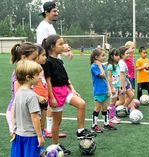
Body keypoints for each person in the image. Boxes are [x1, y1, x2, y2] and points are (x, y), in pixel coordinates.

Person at [42, 34, 96, 154]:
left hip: (65, 90)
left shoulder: (59, 60)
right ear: (52, 47)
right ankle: (55, 145)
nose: (63, 46)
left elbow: (66, 78)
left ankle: (80, 130)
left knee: (81, 104)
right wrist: (51, 97)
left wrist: (73, 89)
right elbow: (48, 81)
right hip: (55, 93)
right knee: (57, 122)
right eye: (60, 44)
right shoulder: (47, 62)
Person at [36, 1, 71, 138]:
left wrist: (64, 50)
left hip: (54, 63)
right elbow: (41, 47)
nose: (57, 13)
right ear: (46, 12)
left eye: (57, 11)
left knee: (52, 98)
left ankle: (49, 129)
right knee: (48, 97)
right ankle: (45, 129)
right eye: (54, 11)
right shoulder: (43, 27)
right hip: (48, 65)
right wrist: (46, 65)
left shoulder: (49, 26)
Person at [10, 60, 44, 157]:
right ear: (28, 77)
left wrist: (13, 129)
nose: (40, 77)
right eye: (37, 74)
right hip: (31, 137)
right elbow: (35, 118)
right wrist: (40, 136)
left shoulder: (19, 92)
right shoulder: (31, 96)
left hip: (18, 135)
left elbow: (13, 112)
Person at [6, 43, 38, 133]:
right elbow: (18, 96)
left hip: (23, 111)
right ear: (23, 57)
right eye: (33, 59)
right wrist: (37, 98)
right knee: (18, 140)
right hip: (16, 113)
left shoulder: (27, 72)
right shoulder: (18, 74)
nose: (35, 61)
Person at [90, 48, 117, 133]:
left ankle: (106, 123)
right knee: (97, 108)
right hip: (98, 91)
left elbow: (105, 79)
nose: (104, 57)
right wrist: (99, 65)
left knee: (105, 108)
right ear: (96, 57)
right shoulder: (94, 66)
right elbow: (102, 75)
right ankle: (94, 125)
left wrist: (109, 89)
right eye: (102, 56)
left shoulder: (103, 66)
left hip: (104, 90)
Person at [107, 49, 123, 124]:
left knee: (113, 103)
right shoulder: (110, 66)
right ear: (111, 56)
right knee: (112, 102)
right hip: (113, 87)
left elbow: (118, 76)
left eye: (119, 55)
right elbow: (109, 77)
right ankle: (110, 117)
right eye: (116, 55)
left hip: (116, 86)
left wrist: (119, 87)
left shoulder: (117, 64)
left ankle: (113, 116)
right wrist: (111, 88)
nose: (118, 57)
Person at [117, 46, 135, 112]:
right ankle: (108, 108)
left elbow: (125, 75)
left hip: (125, 83)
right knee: (121, 101)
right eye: (127, 53)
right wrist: (123, 87)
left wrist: (128, 82)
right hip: (121, 84)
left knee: (131, 95)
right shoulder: (121, 63)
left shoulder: (123, 62)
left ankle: (124, 108)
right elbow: (121, 75)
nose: (129, 55)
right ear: (122, 55)